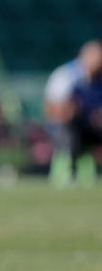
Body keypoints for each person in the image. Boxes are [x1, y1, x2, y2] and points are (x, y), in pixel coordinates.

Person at [44, 40, 102, 187]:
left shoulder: (98, 79)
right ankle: (67, 173)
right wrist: (75, 113)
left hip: (92, 126)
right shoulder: (66, 75)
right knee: (70, 132)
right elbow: (53, 111)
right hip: (65, 126)